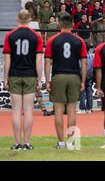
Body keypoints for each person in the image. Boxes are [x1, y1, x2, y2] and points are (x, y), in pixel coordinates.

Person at [44, 14, 88, 149]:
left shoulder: (52, 40)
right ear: (73, 25)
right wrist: (83, 81)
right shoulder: (79, 40)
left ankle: (61, 142)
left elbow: (47, 62)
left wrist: (47, 80)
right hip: (74, 76)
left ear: (59, 24)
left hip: (58, 76)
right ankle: (70, 142)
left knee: (58, 110)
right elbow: (84, 63)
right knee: (71, 110)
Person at [3, 10, 44, 150]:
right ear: (30, 19)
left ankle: (17, 143)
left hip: (14, 73)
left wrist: (5, 78)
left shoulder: (10, 35)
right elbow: (39, 59)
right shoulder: (36, 36)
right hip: (29, 74)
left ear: (17, 19)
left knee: (15, 110)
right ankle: (27, 143)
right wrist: (39, 78)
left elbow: (7, 58)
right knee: (28, 110)